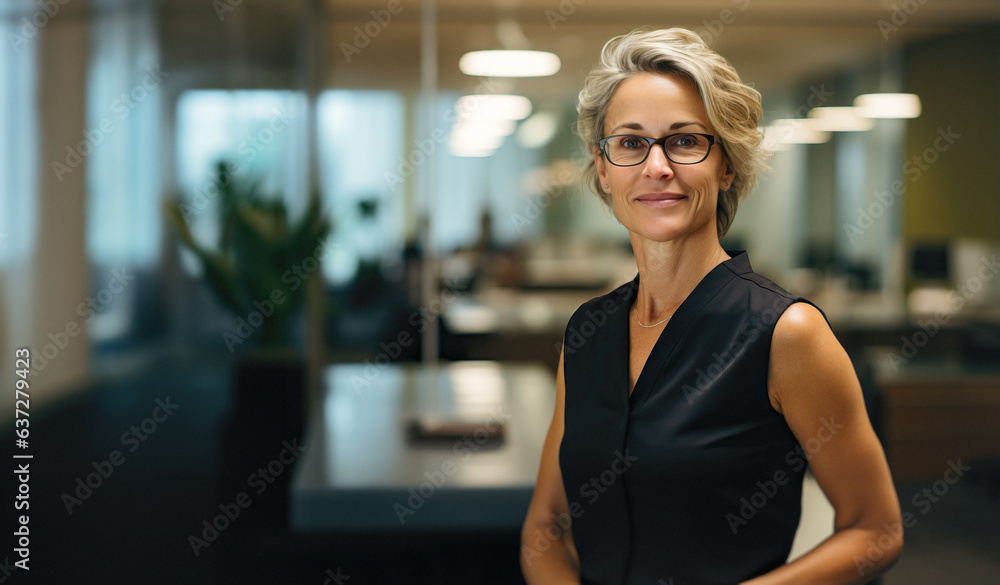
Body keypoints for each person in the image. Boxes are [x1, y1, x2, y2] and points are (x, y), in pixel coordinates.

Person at [520, 27, 902, 585]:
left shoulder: (785, 333)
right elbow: (545, 527)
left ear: (726, 166)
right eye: (630, 142)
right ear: (603, 170)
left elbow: (877, 530)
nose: (656, 167)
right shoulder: (588, 332)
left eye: (684, 140)